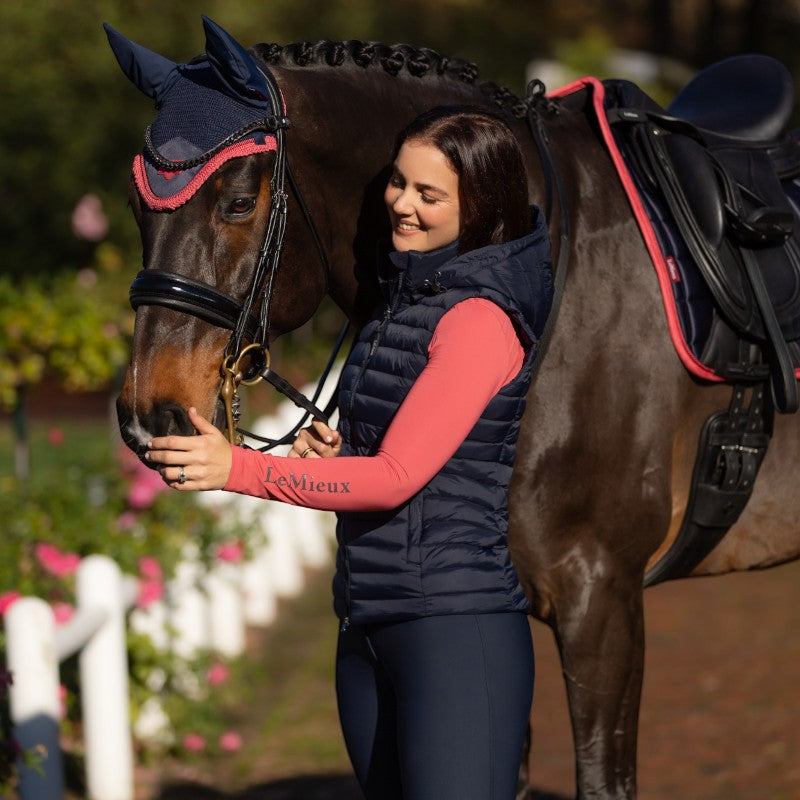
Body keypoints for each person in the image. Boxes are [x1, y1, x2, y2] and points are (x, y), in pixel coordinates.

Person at [145, 105, 554, 800]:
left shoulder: (478, 320)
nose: (402, 205)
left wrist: (235, 467)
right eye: (399, 183)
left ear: (480, 208)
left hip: (453, 631)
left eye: (431, 195)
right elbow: (403, 453)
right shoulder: (399, 302)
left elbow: (396, 479)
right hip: (367, 621)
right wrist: (338, 455)